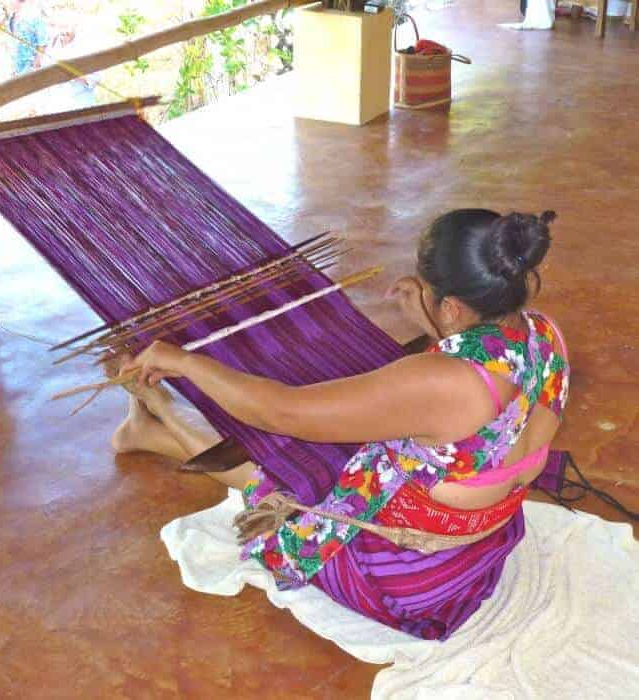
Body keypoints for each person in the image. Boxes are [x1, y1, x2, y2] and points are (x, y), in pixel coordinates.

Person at [109, 209, 570, 640]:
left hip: (407, 569)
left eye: (429, 294)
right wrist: (435, 326)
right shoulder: (544, 332)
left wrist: (184, 360)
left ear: (451, 307)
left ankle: (154, 422)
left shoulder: (440, 382)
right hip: (488, 532)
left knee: (286, 476)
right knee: (328, 451)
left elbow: (280, 411)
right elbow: (489, 389)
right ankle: (153, 423)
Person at [6, 0, 47, 76]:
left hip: (30, 70)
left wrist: (35, 66)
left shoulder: (35, 17)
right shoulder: (10, 18)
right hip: (15, 69)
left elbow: (43, 44)